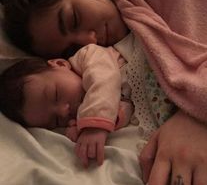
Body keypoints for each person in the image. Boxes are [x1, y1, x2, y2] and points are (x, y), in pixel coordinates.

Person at [1, 0, 207, 185]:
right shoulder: (113, 54)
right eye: (73, 49)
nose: (90, 39)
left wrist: (200, 114)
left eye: (74, 19)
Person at [0, 44, 134, 168]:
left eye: (56, 95)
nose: (64, 112)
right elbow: (126, 107)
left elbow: (105, 79)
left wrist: (94, 125)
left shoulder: (88, 55)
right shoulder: (85, 116)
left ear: (60, 64)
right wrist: (81, 128)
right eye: (56, 120)